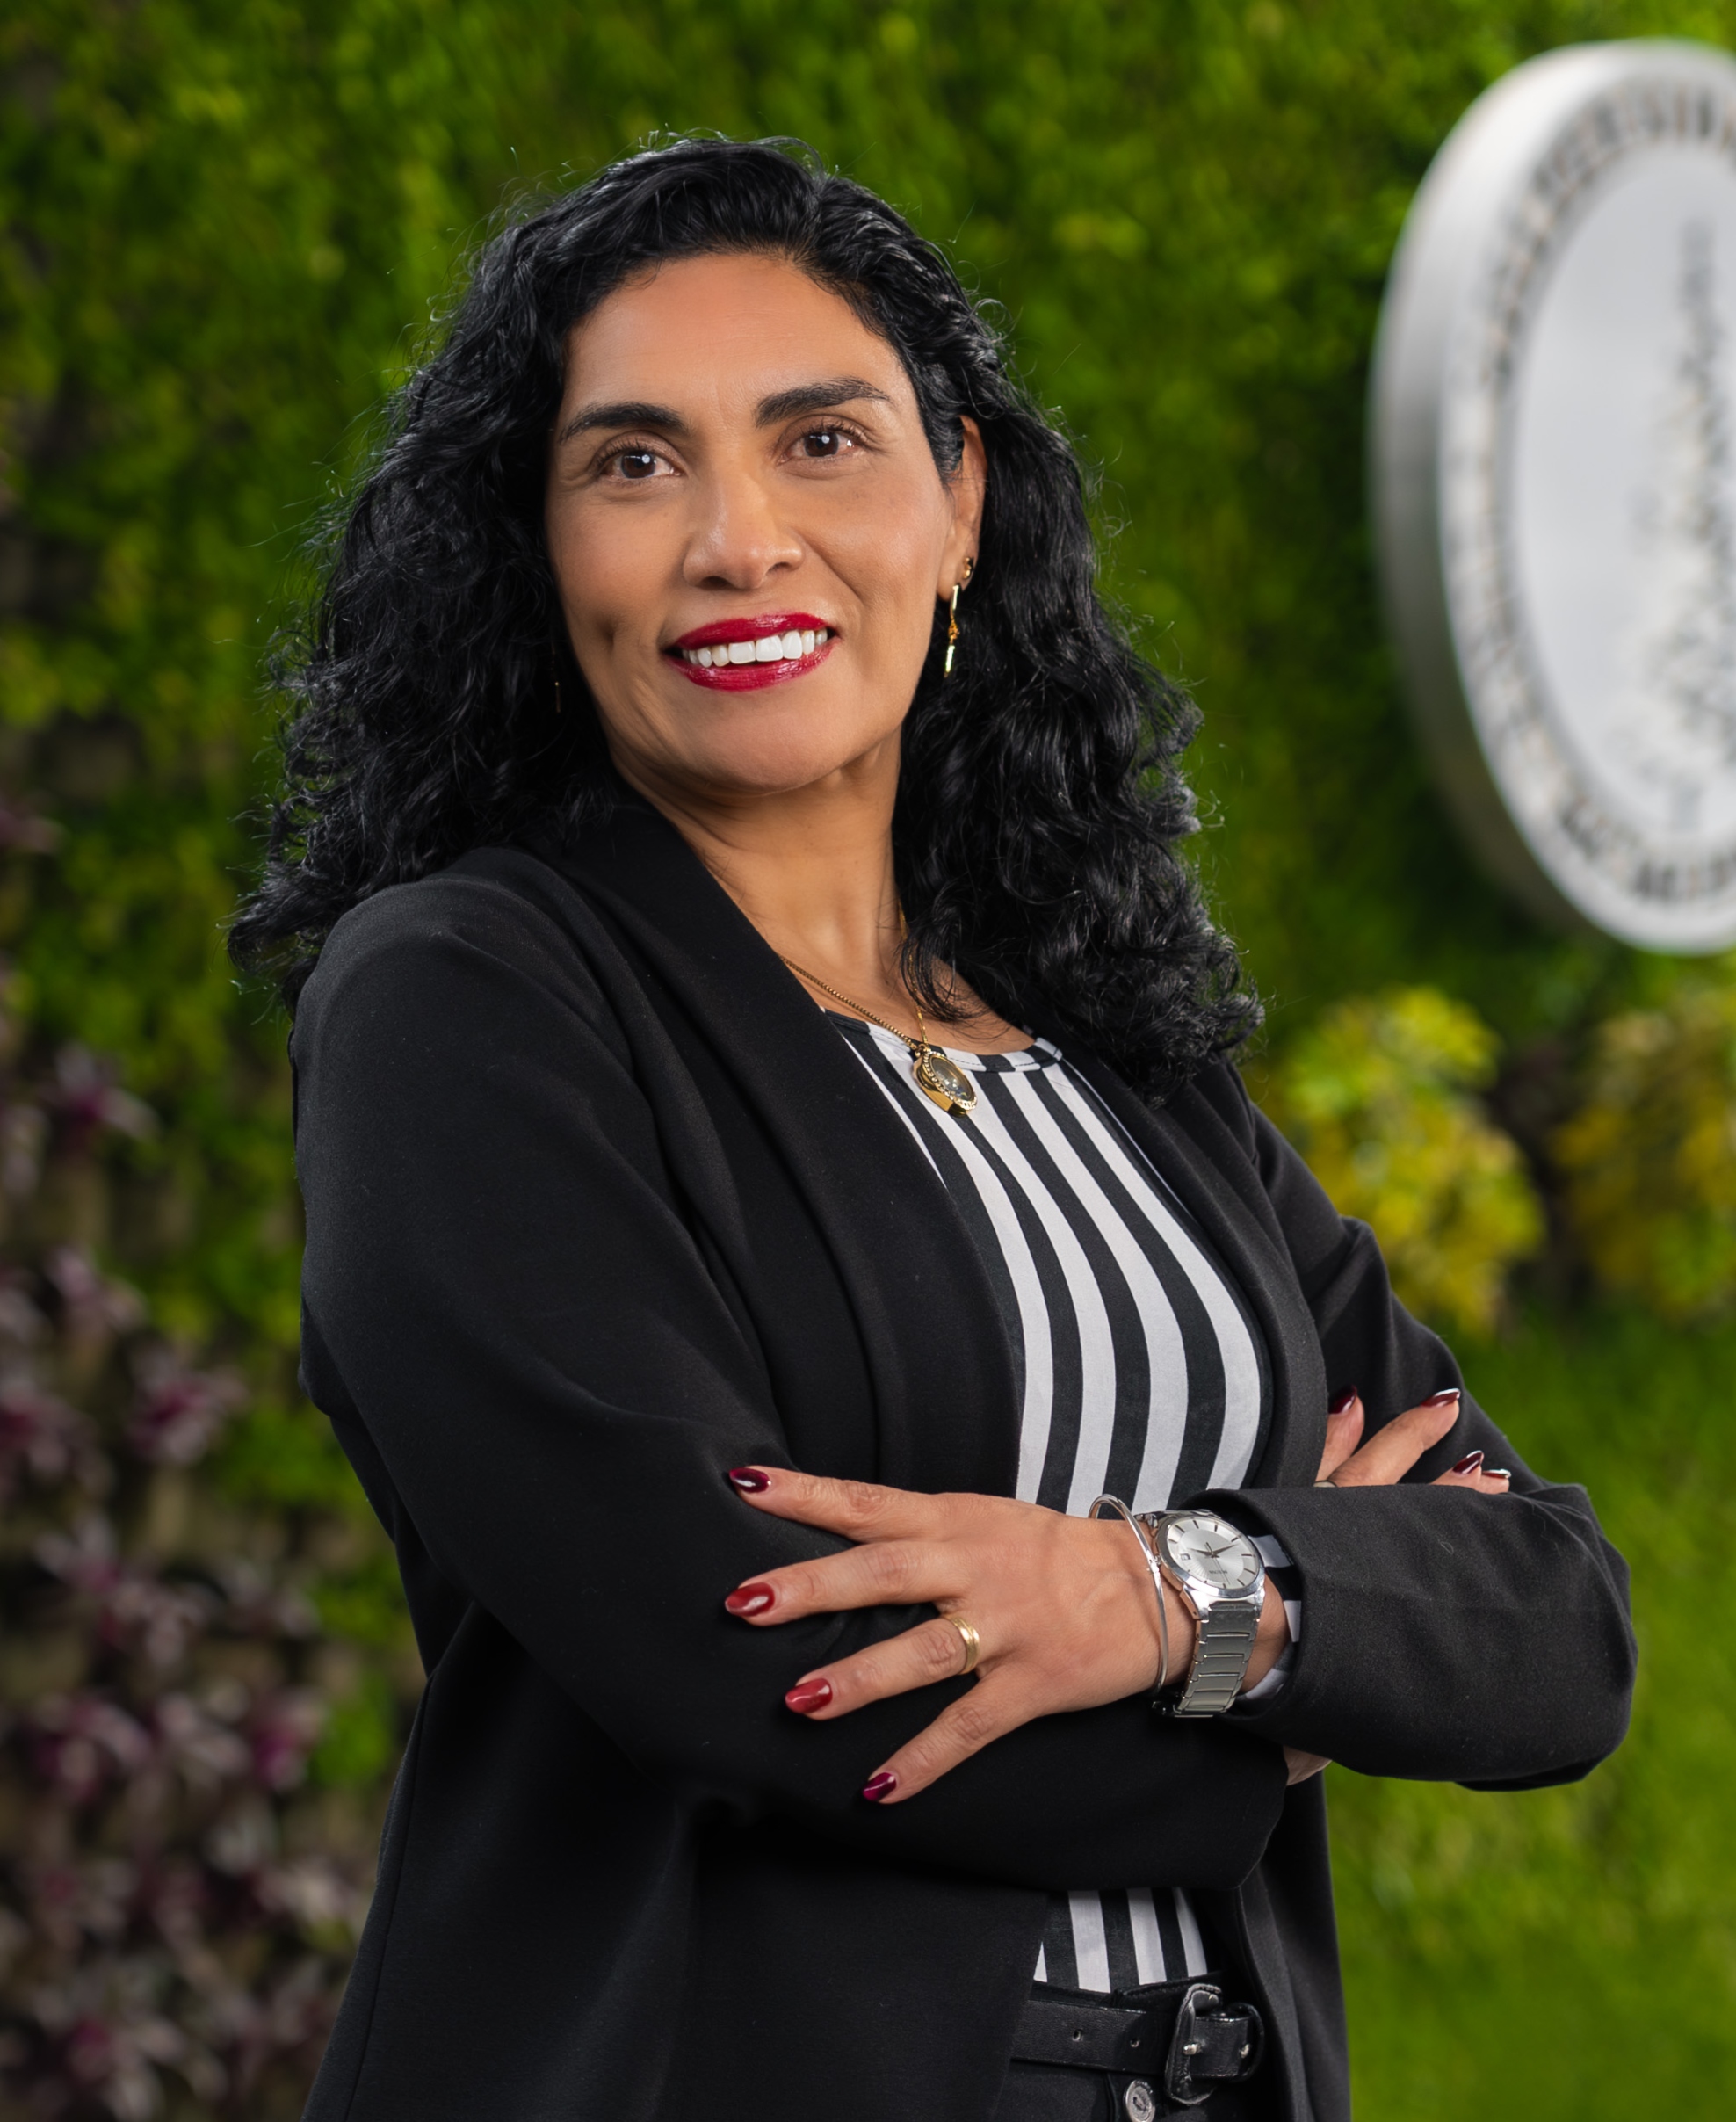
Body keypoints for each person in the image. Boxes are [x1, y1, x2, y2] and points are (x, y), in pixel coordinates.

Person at [232, 137, 1635, 2122]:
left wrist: (1155, 1599)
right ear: (534, 549)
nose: (738, 539)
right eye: (632, 463)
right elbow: (759, 1677)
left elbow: (1554, 1620)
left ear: (960, 502)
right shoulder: (464, 1001)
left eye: (822, 440)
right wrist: (1305, 1663)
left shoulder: (1112, 1044)